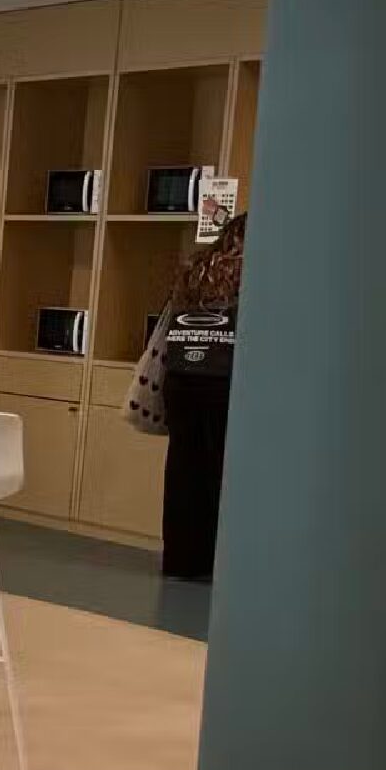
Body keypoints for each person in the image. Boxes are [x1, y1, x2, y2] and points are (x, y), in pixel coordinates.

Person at [152, 213, 245, 581]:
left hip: (181, 380)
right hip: (222, 381)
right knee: (222, 471)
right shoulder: (250, 272)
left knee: (183, 469)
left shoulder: (196, 268)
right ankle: (219, 560)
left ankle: (181, 558)